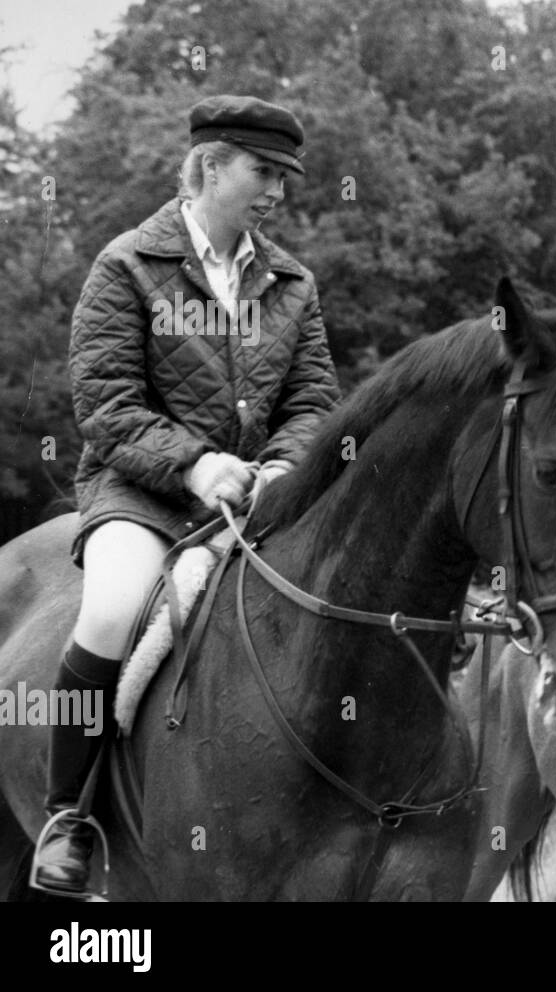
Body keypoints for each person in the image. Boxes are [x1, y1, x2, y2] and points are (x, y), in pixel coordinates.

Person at [32, 95, 341, 895]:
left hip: (256, 500)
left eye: (285, 177)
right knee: (112, 610)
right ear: (210, 167)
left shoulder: (292, 281)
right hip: (142, 494)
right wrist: (196, 465)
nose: (277, 191)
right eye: (263, 172)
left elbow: (312, 402)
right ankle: (72, 817)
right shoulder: (126, 265)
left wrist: (282, 468)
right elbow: (105, 404)